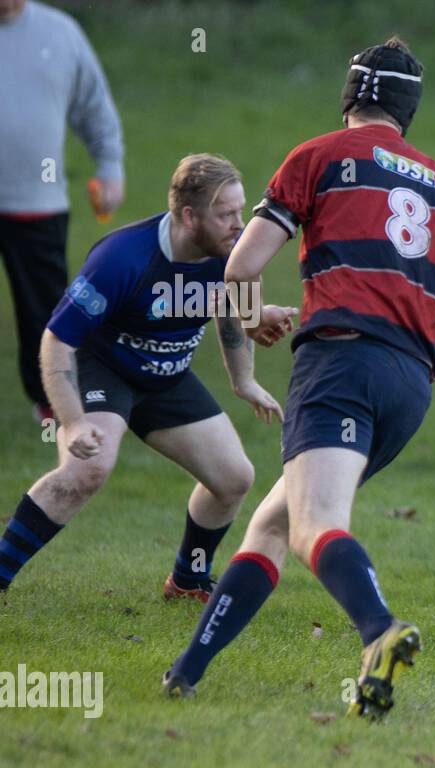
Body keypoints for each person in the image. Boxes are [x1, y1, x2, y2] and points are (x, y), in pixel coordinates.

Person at [163, 38, 435, 720]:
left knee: (312, 524)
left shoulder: (318, 157)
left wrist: (245, 354)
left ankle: (379, 629)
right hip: (408, 386)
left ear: (350, 96)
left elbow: (240, 268)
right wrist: (428, 347)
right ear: (408, 111)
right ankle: (185, 673)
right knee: (271, 522)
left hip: (341, 363)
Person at [0, 154, 295, 599]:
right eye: (226, 214)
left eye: (241, 211)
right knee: (87, 470)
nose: (240, 224)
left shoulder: (235, 251)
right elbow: (56, 340)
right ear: (189, 216)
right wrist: (74, 420)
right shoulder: (122, 258)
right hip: (103, 368)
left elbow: (234, 308)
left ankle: (187, 579)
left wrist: (245, 378)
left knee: (234, 478)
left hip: (167, 376)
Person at [0, 0, 125, 422]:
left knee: (44, 309)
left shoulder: (60, 33)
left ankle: (51, 401)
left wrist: (109, 167)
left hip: (36, 201)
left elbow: (94, 106)